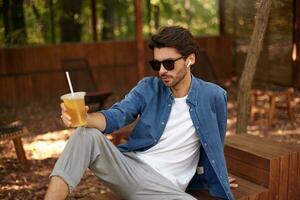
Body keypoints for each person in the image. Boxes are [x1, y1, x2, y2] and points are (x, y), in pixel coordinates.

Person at [44, 26, 236, 200]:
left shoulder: (214, 96)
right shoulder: (148, 88)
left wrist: (215, 175)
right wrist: (85, 119)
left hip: (166, 190)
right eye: (156, 64)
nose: (161, 71)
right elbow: (117, 115)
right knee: (85, 134)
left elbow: (214, 143)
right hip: (130, 171)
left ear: (190, 59)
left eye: (168, 63)